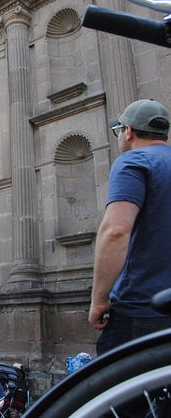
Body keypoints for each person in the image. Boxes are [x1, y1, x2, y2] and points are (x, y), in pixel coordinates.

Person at [89, 99, 171, 416]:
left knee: (122, 407)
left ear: (128, 131)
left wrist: (99, 300)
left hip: (140, 311)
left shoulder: (134, 161)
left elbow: (115, 232)